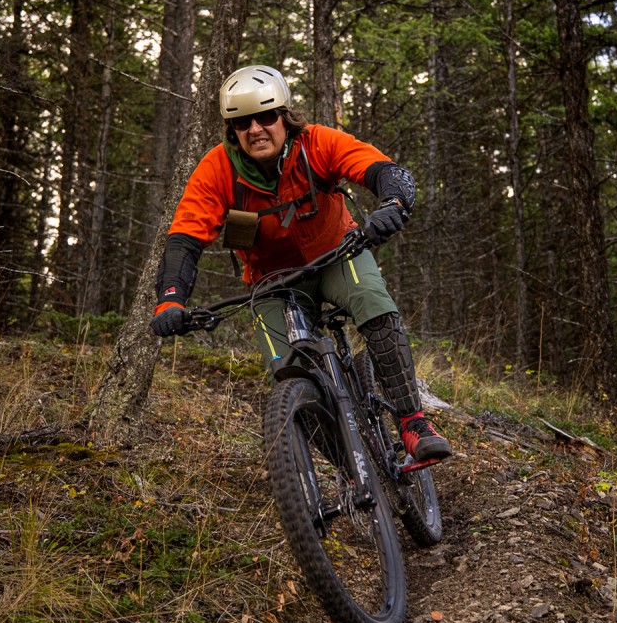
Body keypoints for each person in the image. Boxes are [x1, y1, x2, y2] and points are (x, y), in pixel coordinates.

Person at [149, 64, 451, 463]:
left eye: (266, 116)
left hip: (338, 254)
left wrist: (393, 204)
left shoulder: (316, 143)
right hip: (273, 282)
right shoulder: (217, 169)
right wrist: (171, 300)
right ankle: (352, 471)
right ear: (232, 130)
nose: (255, 129)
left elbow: (384, 170)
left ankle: (413, 423)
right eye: (242, 122)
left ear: (285, 117)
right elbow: (185, 237)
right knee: (288, 374)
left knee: (372, 302)